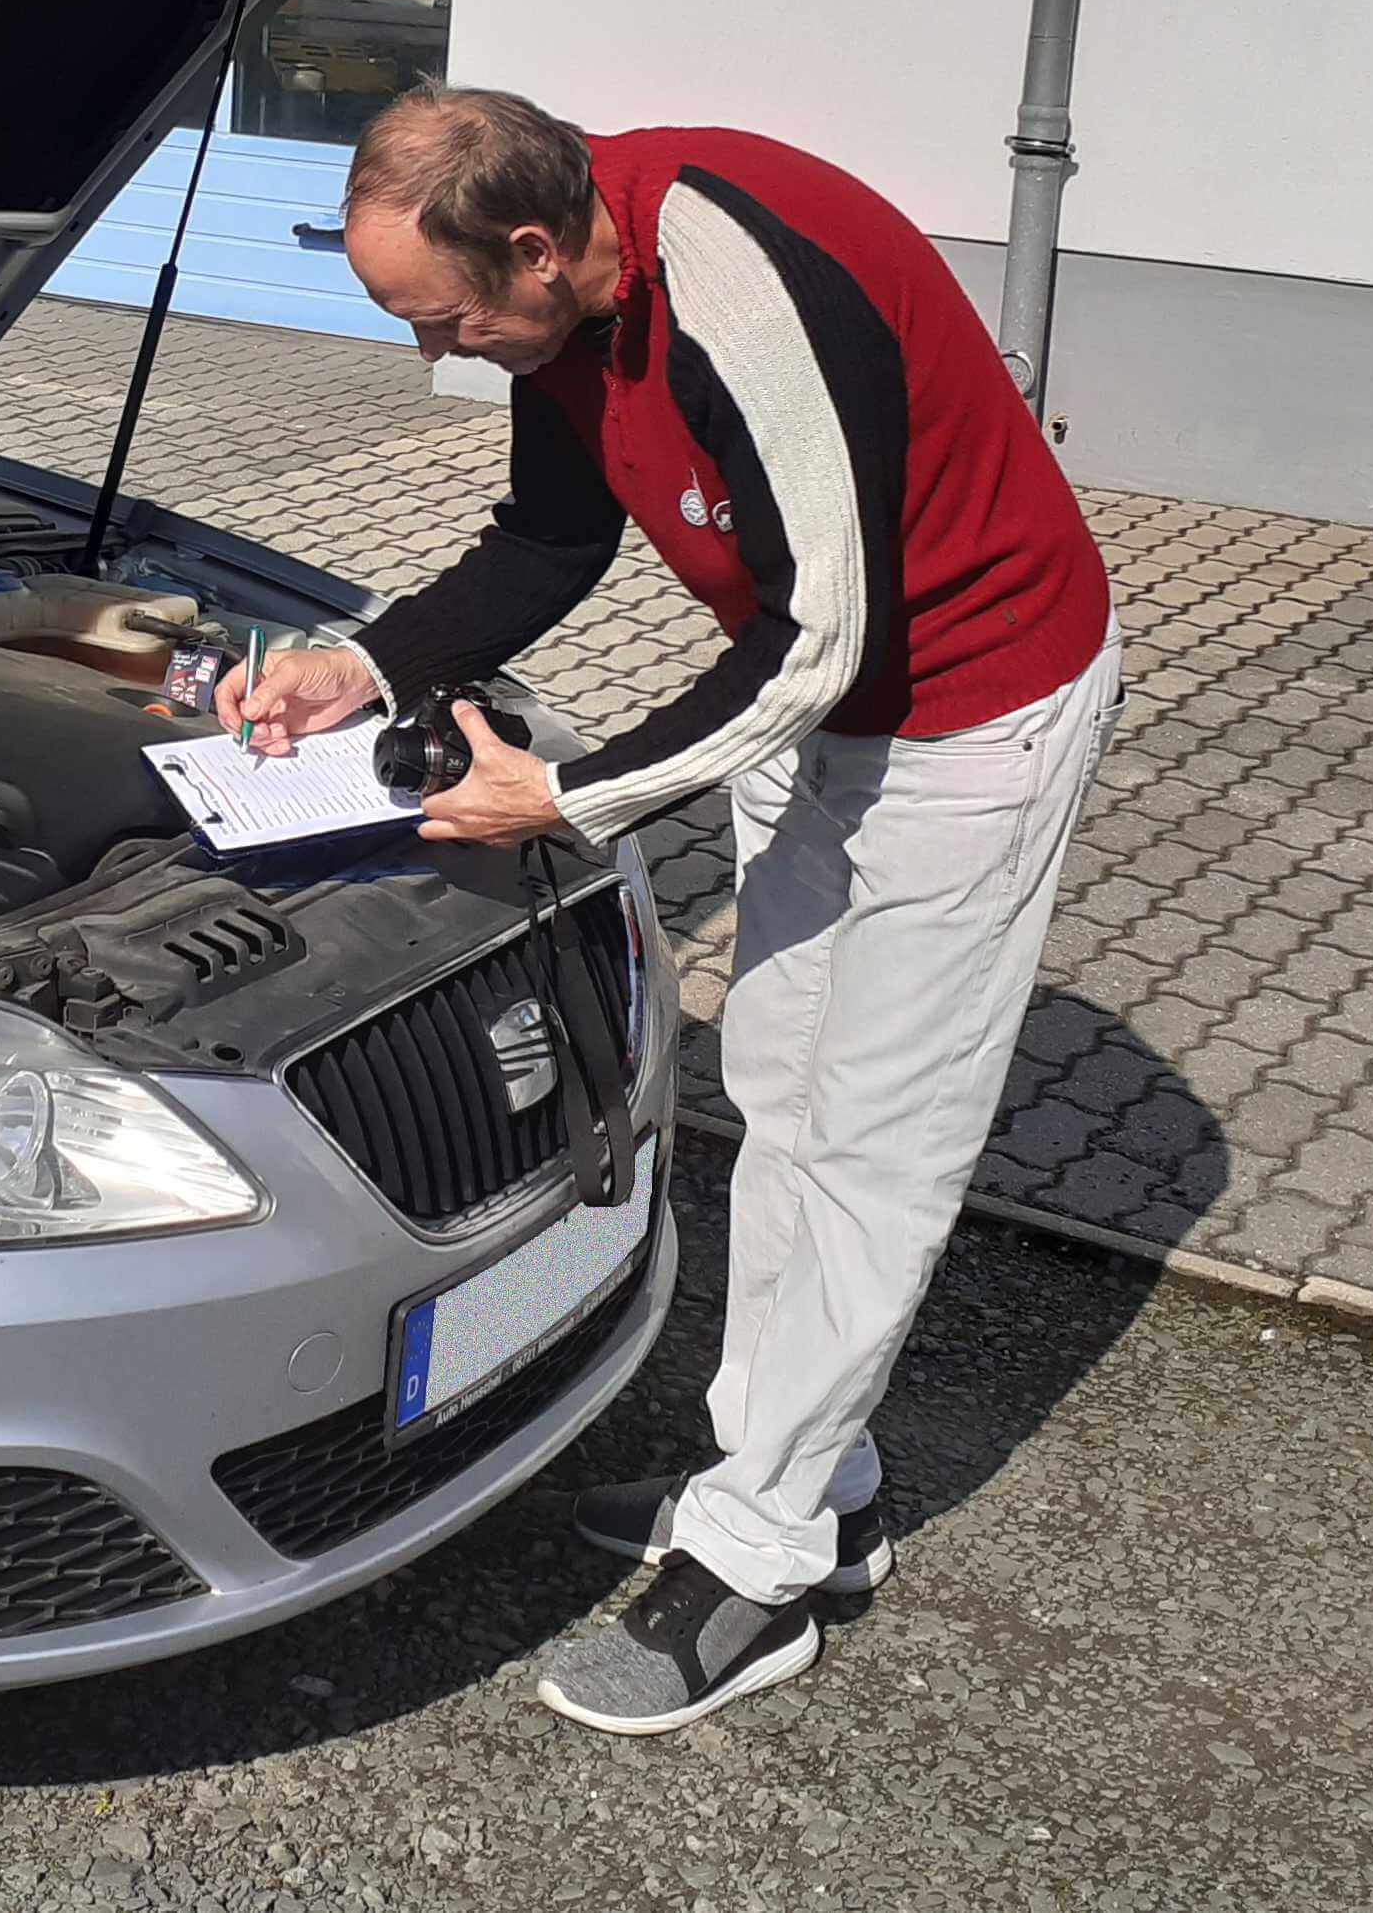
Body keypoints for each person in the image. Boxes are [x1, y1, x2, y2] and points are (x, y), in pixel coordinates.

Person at [218, 87, 1118, 1734]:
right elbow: (554, 538)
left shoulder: (738, 294)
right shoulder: (560, 304)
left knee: (877, 1139)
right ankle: (803, 1476)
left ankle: (760, 1566)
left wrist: (562, 798)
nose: (439, 355)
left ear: (540, 249)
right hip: (818, 714)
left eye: (445, 319)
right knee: (779, 1084)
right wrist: (365, 660)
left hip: (970, 713)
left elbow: (817, 639)